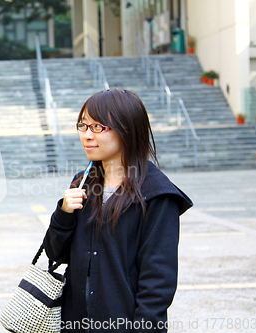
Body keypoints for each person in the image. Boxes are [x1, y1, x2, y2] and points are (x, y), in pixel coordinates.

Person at [43, 89, 193, 332]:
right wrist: (64, 213)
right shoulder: (83, 183)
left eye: (98, 127)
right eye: (83, 126)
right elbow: (53, 252)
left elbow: (157, 282)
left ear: (127, 129)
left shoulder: (155, 195)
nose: (87, 136)